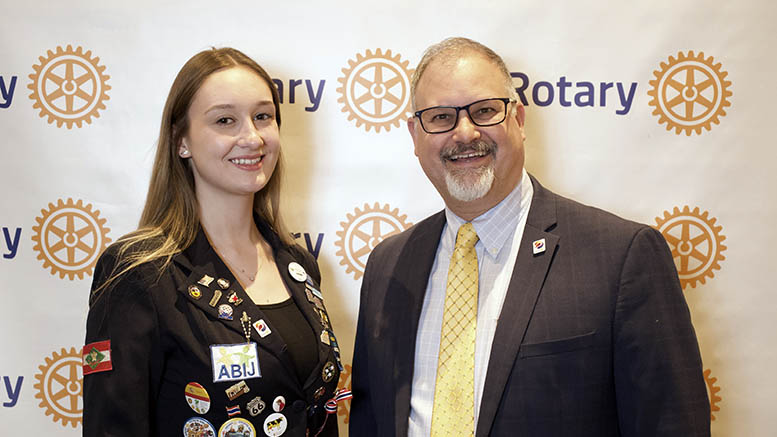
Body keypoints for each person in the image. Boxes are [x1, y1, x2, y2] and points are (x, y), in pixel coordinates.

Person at [350, 37, 710, 436]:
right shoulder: (388, 265)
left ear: (518, 120)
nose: (465, 133)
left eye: (485, 111)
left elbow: (671, 424)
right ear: (415, 136)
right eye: (440, 118)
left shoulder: (622, 257)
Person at [83, 47, 346, 437]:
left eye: (263, 117)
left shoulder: (298, 265)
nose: (252, 137)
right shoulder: (139, 273)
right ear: (181, 142)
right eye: (225, 120)